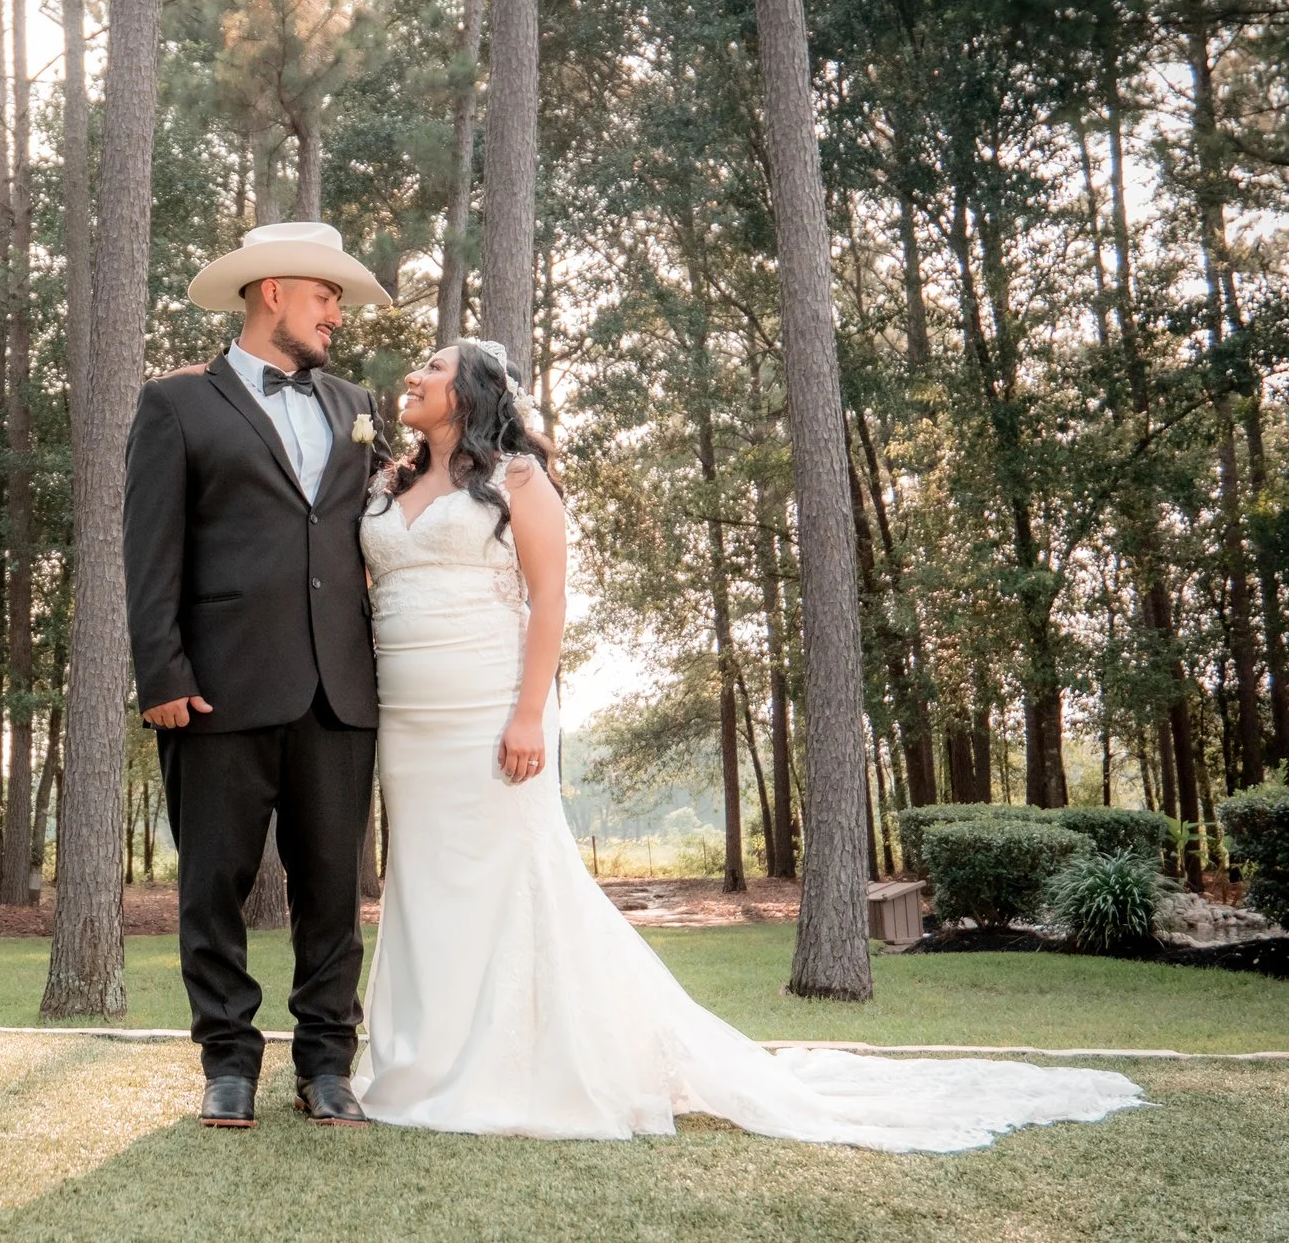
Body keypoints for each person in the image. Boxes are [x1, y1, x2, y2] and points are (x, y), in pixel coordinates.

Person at [350, 339, 1146, 1151]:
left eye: (435, 368)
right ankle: (423, 1056)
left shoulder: (518, 481)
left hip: (489, 706)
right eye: (415, 365)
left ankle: (509, 1065)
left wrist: (528, 713)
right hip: (406, 717)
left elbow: (549, 601)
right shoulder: (386, 484)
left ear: (475, 390)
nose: (414, 375)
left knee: (508, 876)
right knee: (427, 877)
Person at [124, 221, 392, 1130]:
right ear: (272, 289)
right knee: (212, 884)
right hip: (216, 690)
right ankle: (227, 1060)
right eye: (328, 298)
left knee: (333, 893)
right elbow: (149, 549)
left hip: (339, 690)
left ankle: (327, 1063)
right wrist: (160, 670)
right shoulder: (176, 404)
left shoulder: (356, 401)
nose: (337, 318)